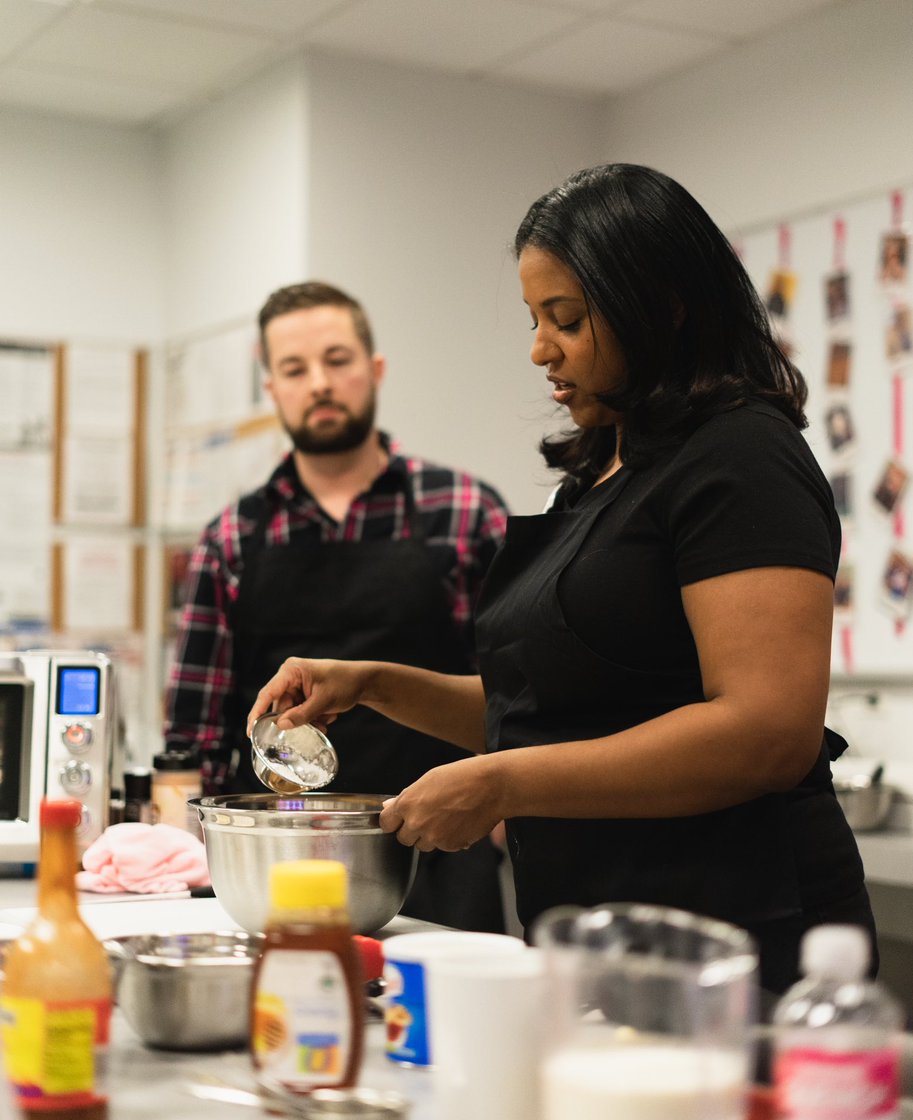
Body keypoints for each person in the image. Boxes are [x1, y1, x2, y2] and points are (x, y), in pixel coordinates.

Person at [246, 166, 878, 1001]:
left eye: (566, 320)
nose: (540, 349)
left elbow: (764, 732)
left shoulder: (743, 456)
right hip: (598, 924)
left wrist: (506, 782)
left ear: (663, 306)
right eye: (534, 319)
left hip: (732, 935)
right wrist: (372, 685)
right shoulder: (603, 472)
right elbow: (549, 713)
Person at [164, 280, 510, 932]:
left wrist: (503, 813)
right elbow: (196, 733)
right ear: (273, 390)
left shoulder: (464, 511)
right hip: (275, 865)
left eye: (337, 360)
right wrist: (189, 855)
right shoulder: (232, 538)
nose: (319, 382)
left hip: (439, 848)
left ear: (374, 370)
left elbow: (511, 695)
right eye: (294, 369)